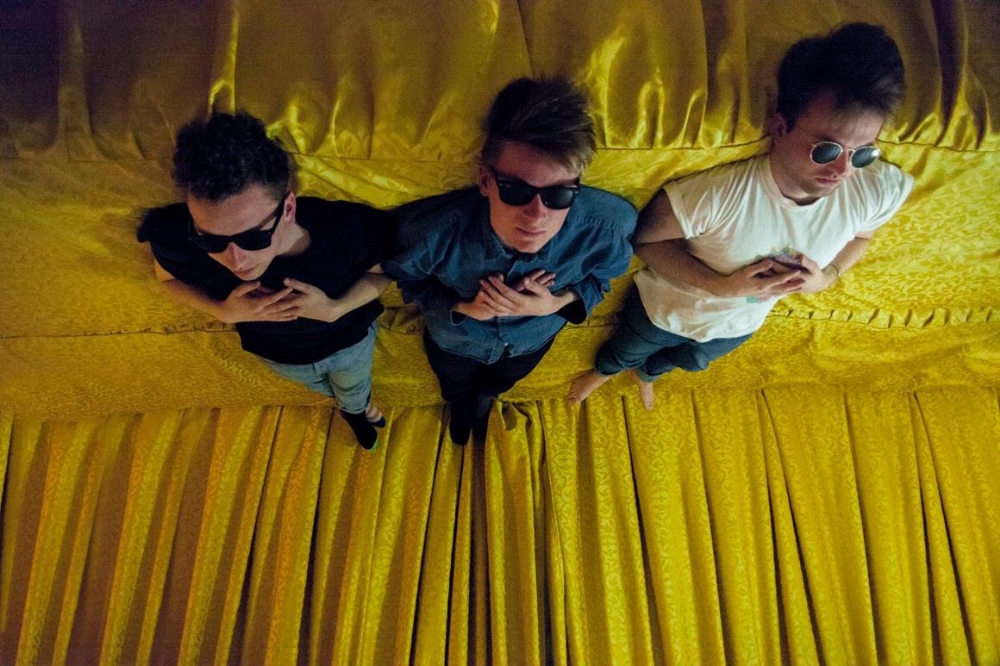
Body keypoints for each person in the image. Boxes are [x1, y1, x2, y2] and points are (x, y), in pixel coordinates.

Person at [569, 22, 913, 408]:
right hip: (665, 311)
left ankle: (647, 375)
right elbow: (645, 240)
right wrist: (718, 286)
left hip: (740, 326)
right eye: (827, 150)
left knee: (690, 362)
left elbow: (863, 235)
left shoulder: (875, 189)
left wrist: (826, 277)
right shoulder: (720, 195)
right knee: (628, 348)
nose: (843, 170)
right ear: (780, 128)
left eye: (863, 152)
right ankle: (606, 372)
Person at [383, 77, 637, 444]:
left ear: (577, 185)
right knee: (453, 382)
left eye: (558, 195)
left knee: (502, 382)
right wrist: (462, 307)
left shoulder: (607, 229)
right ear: (485, 179)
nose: (537, 216)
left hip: (533, 340)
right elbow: (406, 279)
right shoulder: (430, 234)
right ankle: (460, 404)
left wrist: (557, 303)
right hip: (455, 339)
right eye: (516, 191)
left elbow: (603, 279)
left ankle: (486, 400)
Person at [137, 112, 394, 449]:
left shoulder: (345, 230)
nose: (236, 260)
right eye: (211, 240)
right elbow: (167, 278)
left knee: (353, 385)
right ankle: (353, 406)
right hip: (278, 357)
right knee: (323, 388)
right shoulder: (179, 236)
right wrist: (222, 311)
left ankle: (357, 409)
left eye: (252, 238)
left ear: (288, 209)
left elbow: (386, 271)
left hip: (348, 342)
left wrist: (336, 308)